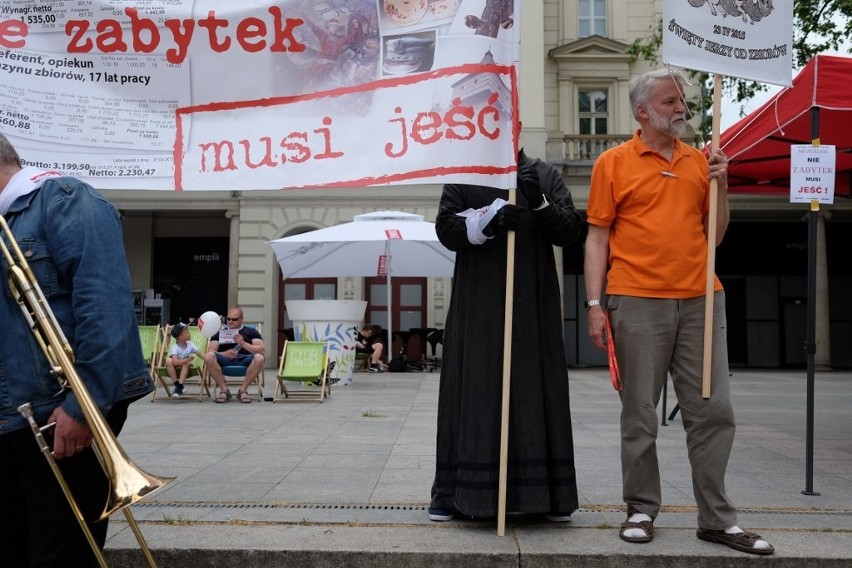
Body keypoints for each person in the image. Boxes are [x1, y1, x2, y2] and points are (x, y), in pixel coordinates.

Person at [583, 68, 774, 555]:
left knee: (714, 410)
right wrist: (593, 304)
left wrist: (722, 184)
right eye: (670, 101)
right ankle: (641, 508)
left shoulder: (701, 161)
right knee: (639, 412)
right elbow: (597, 237)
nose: (682, 109)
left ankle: (716, 519)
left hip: (701, 298)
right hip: (635, 298)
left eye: (683, 101)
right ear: (643, 110)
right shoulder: (613, 162)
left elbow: (717, 236)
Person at [0, 134, 155, 566]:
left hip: (57, 413)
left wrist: (83, 409)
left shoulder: (65, 200)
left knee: (61, 555)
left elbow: (106, 313)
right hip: (9, 418)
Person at [428, 147, 584, 522]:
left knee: (534, 389)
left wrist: (540, 203)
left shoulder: (544, 174)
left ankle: (546, 495)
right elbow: (446, 230)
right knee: (474, 390)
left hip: (532, 304)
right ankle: (454, 493)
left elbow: (570, 231)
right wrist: (489, 220)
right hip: (478, 306)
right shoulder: (465, 175)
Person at [203, 307, 265, 403]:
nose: (231, 321)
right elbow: (210, 351)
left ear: (242, 319)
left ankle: (243, 390)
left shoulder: (251, 332)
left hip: (245, 359)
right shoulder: (220, 333)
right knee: (208, 356)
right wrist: (224, 354)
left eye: (234, 319)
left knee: (259, 357)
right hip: (224, 360)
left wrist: (243, 343)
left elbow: (261, 349)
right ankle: (224, 390)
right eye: (229, 319)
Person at [166, 322, 199, 398]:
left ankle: (179, 386)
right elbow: (175, 362)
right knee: (168, 361)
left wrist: (207, 358)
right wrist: (187, 359)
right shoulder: (175, 347)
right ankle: (178, 386)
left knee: (185, 363)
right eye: (187, 332)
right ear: (181, 337)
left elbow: (199, 354)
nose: (189, 333)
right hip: (176, 366)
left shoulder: (190, 344)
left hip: (186, 367)